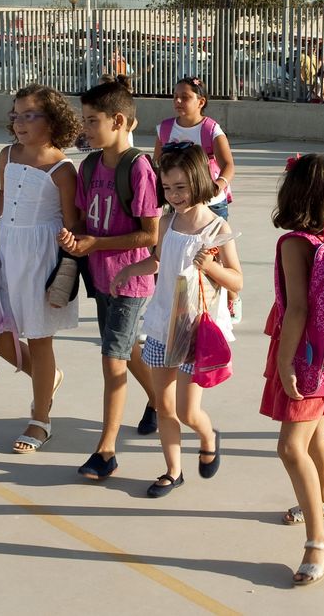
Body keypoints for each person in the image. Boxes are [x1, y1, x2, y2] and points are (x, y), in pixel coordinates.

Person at [111, 143, 242, 498]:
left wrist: (211, 266)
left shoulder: (216, 227)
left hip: (195, 331)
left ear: (199, 180)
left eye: (180, 187)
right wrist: (129, 271)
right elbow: (157, 260)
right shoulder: (167, 222)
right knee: (164, 405)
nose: (174, 195)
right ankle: (173, 471)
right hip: (161, 327)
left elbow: (237, 281)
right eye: (167, 188)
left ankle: (208, 435)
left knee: (187, 411)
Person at [260, 153, 324, 587]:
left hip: (303, 355)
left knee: (289, 447)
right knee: (314, 431)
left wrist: (284, 362)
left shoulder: (296, 243)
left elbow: (297, 307)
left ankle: (320, 541)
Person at [58, 76, 160, 479]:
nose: (85, 129)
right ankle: (157, 400)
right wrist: (74, 237)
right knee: (126, 347)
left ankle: (106, 450)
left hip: (131, 281)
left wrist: (94, 243)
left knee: (112, 359)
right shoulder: (88, 166)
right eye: (84, 120)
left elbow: (150, 234)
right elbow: (84, 220)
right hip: (101, 279)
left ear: (118, 121)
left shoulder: (139, 169)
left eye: (92, 121)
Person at [0, 84, 81, 453]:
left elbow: (71, 220)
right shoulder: (8, 154)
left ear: (51, 120)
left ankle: (40, 420)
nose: (19, 123)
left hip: (41, 256)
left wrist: (71, 248)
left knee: (38, 335)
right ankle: (45, 375)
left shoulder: (62, 168)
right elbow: (6, 193)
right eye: (15, 115)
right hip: (10, 250)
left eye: (29, 115)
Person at [154, 76, 241, 322]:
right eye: (175, 97)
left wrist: (218, 186)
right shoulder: (165, 129)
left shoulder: (210, 129)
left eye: (185, 97)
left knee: (214, 257)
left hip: (211, 203)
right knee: (182, 256)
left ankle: (230, 297)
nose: (178, 101)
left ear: (201, 101)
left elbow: (228, 165)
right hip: (180, 200)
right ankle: (184, 304)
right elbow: (158, 164)